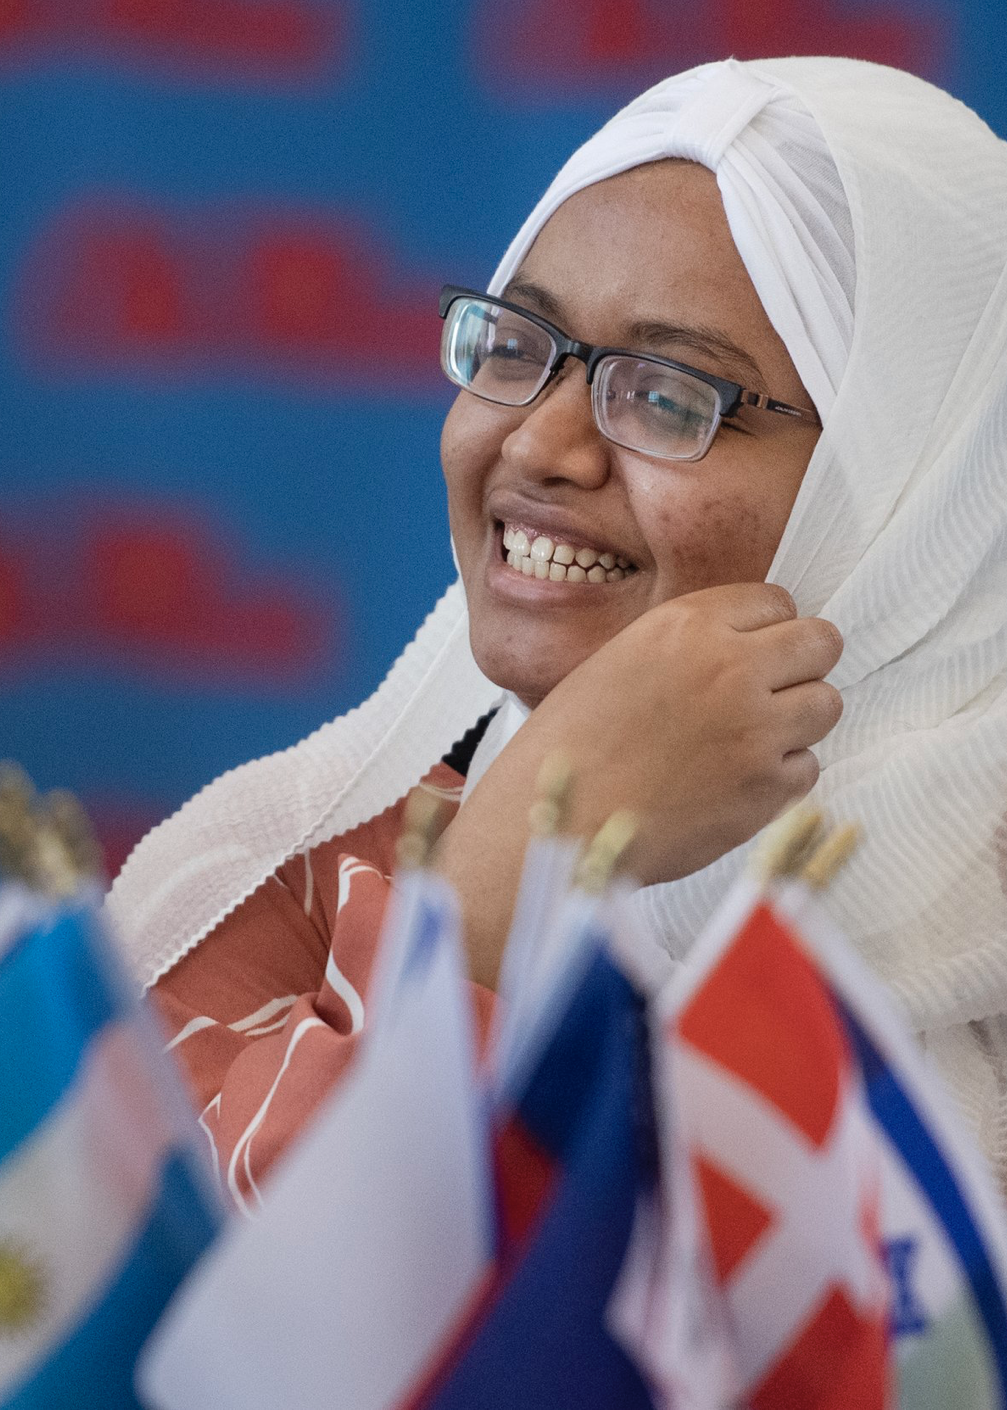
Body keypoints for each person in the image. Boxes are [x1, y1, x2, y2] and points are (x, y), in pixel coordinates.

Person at [107, 56, 1007, 1202]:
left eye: (672, 394)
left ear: (912, 488)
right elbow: (215, 1325)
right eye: (515, 347)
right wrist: (521, 862)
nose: (537, 445)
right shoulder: (280, 871)